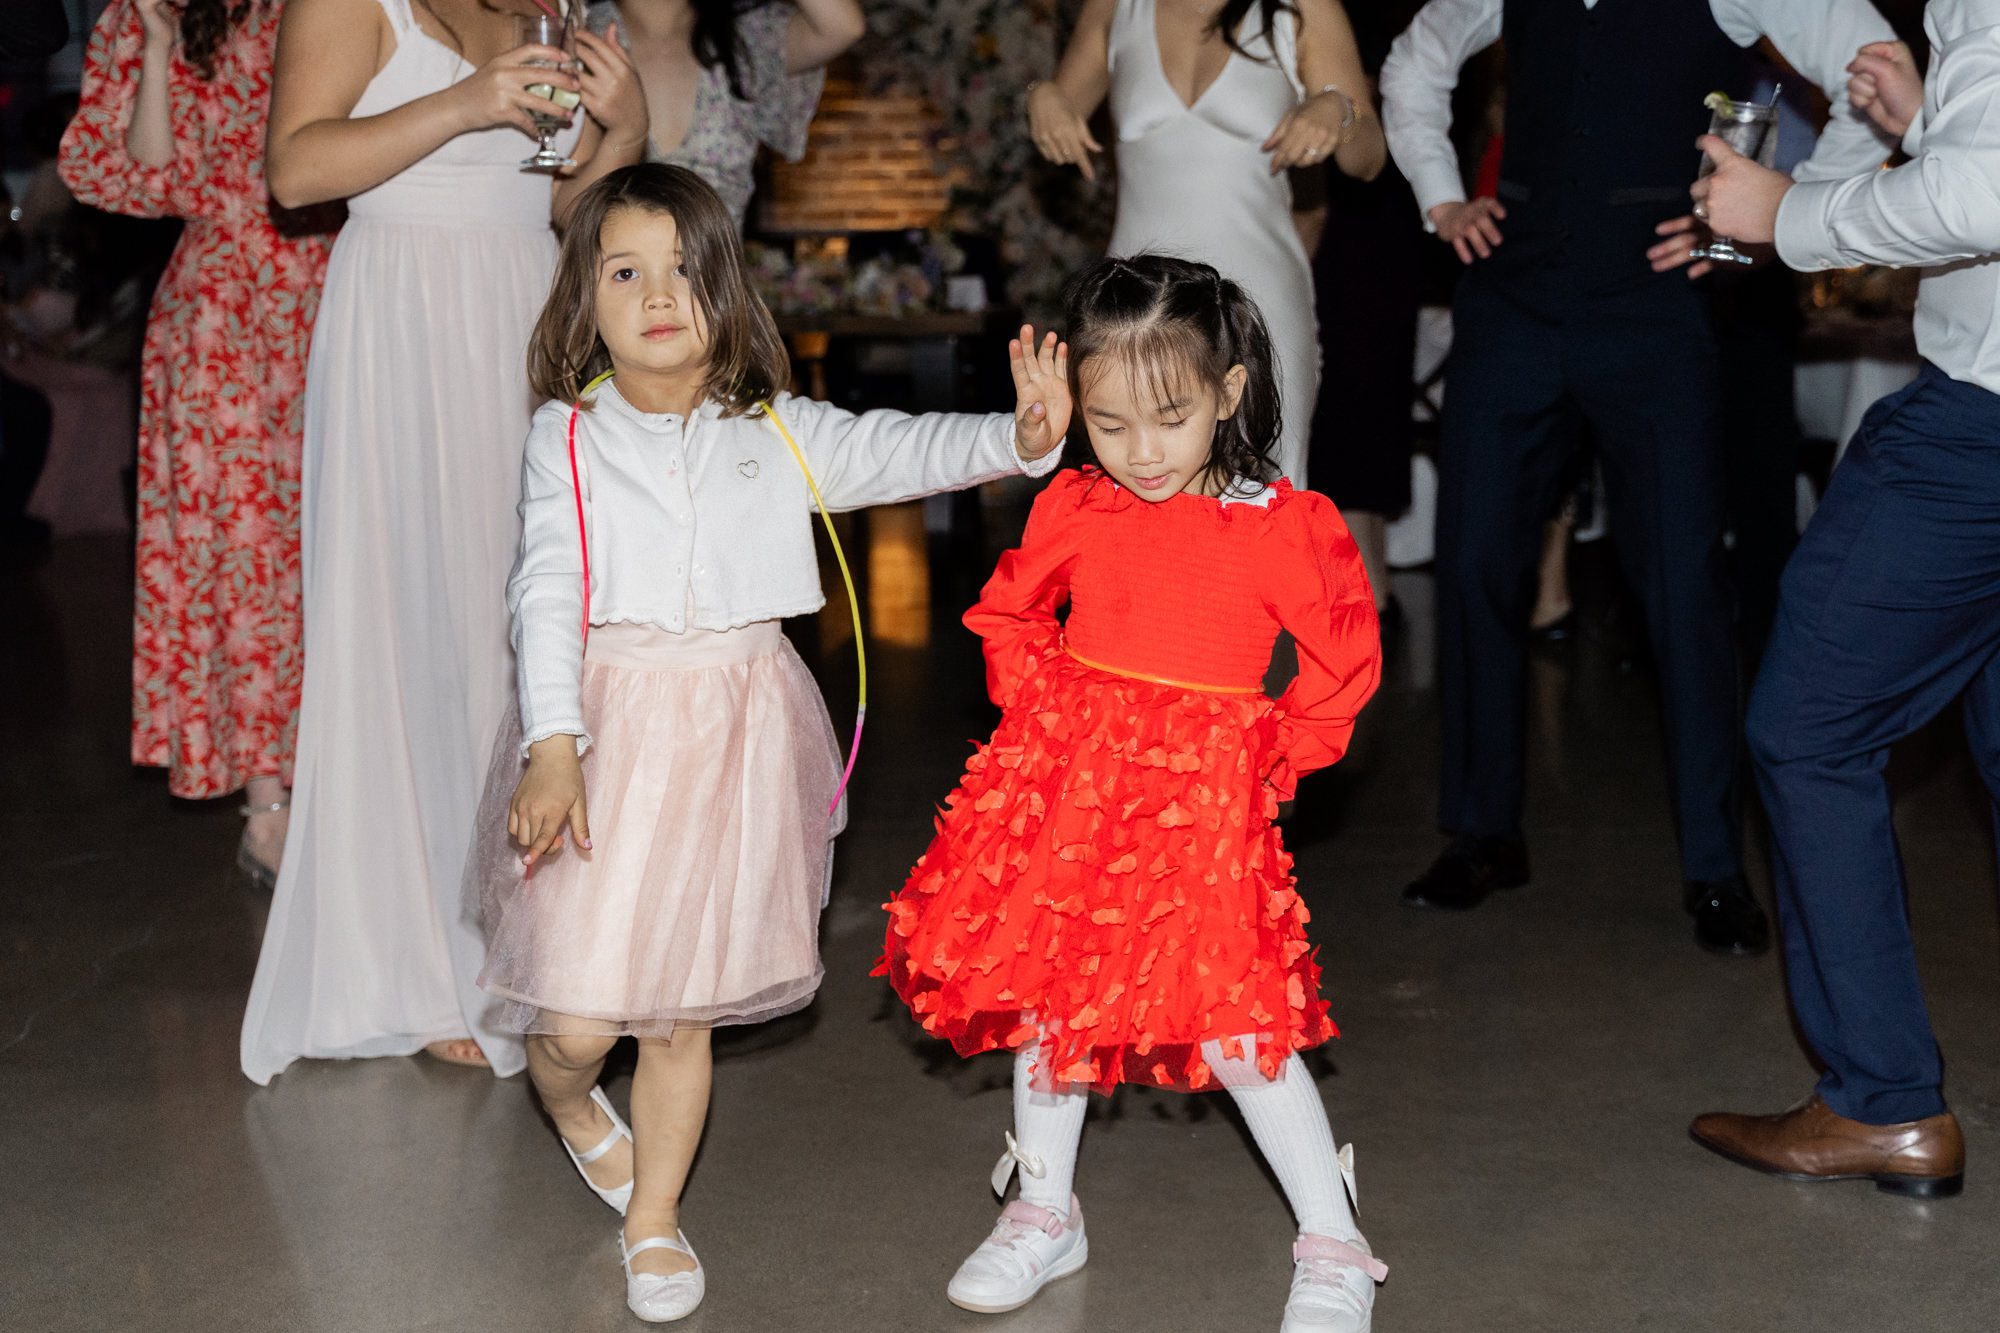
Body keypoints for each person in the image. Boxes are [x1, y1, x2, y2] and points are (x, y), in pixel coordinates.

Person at [465, 163, 1066, 1321]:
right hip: (611, 730)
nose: (656, 295)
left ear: (727, 294)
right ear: (582, 299)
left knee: (678, 1008)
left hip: (738, 732)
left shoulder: (776, 431)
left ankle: (653, 1219)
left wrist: (1019, 435)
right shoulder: (568, 437)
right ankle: (570, 1102)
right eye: (625, 270)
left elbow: (899, 449)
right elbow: (544, 587)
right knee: (580, 1020)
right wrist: (553, 739)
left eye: (683, 272)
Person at [880, 254, 1384, 1332]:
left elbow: (1342, 661)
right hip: (1072, 786)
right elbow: (1011, 613)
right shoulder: (1074, 502)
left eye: (1168, 416)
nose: (1140, 451)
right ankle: (1044, 1211)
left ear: (1229, 391)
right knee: (1046, 994)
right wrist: (1041, 719)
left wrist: (1273, 758)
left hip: (1199, 800)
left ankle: (1334, 1241)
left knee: (1233, 1023)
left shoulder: (1281, 524)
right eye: (1107, 423)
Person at [1379, 0, 1898, 954]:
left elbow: (1873, 75)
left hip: (1655, 309)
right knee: (1475, 565)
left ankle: (1714, 868)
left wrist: (1777, 222)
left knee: (1683, 586)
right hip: (1513, 296)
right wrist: (1440, 193)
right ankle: (1482, 831)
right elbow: (1418, 59)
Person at [238, 0, 648, 1083]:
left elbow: (567, 209)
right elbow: (295, 170)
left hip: (518, 317)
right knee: (415, 632)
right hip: (402, 324)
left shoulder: (541, 7)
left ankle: (528, 937)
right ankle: (418, 964)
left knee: (528, 627)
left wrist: (624, 129)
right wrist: (469, 99)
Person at [1687, 9, 1999, 1196]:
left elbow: (1975, 205)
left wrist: (1789, 219)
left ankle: (1880, 1101)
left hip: (1973, 431)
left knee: (1807, 729)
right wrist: (1930, 124)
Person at [57, 0, 335, 884]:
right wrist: (158, 44)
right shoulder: (154, 11)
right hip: (223, 312)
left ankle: (355, 781)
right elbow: (147, 184)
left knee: (342, 551)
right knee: (248, 561)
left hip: (347, 289)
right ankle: (269, 803)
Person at [1027, 0, 1384, 487]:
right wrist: (1041, 95)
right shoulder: (1116, 6)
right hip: (1138, 308)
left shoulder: (1302, 7)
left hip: (1259, 301)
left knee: (1271, 490)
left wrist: (1339, 107)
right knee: (1130, 486)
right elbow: (1061, 105)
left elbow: (1367, 161)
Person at [585, 0, 864, 231]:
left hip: (720, 288)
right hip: (611, 288)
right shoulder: (580, 31)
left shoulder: (749, 37)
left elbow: (843, 26)